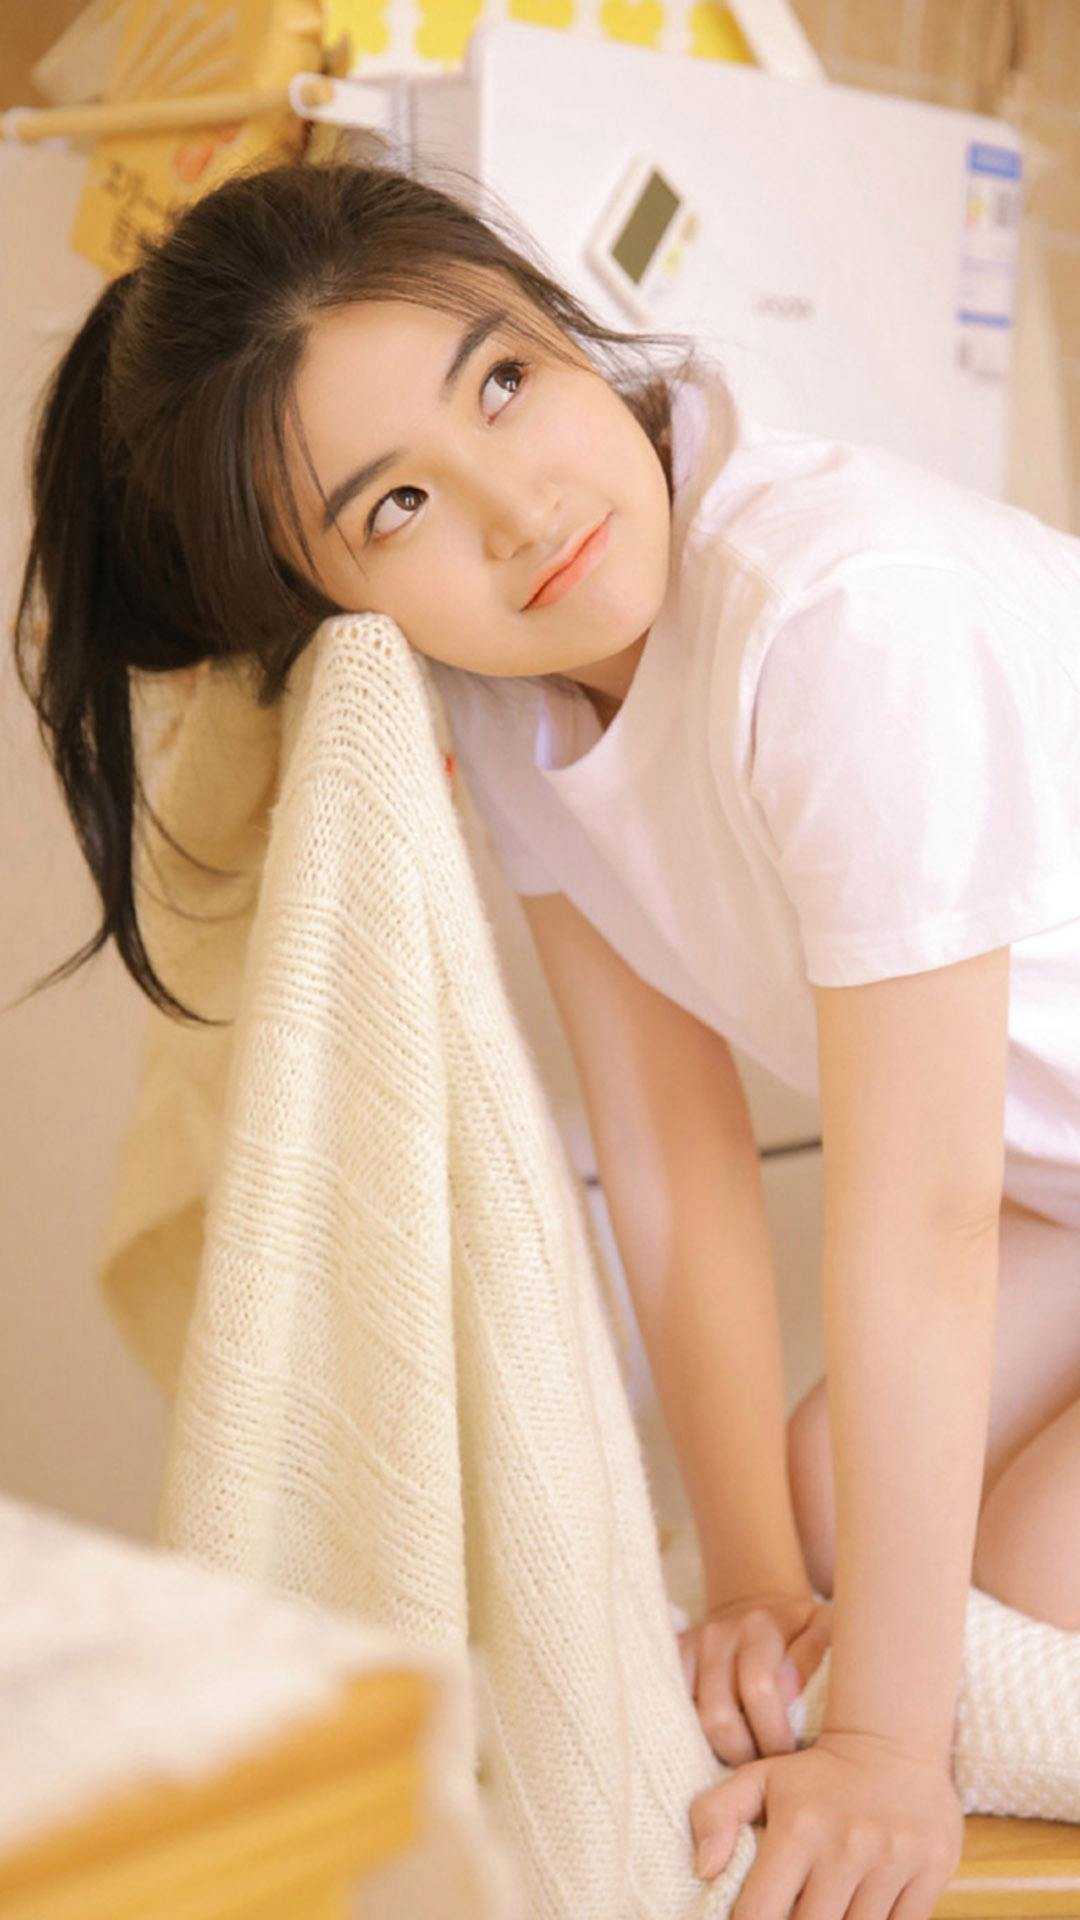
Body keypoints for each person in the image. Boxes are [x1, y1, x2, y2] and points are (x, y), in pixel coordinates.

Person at [10, 154, 1080, 1920]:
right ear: (324, 606)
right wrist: (752, 1584)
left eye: (502, 382)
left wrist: (889, 1747)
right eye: (396, 505)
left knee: (1030, 1572)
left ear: (565, 329)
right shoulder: (515, 714)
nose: (521, 510)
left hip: (1012, 1196)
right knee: (822, 1516)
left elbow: (922, 1216)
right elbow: (667, 1147)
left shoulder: (837, 620)